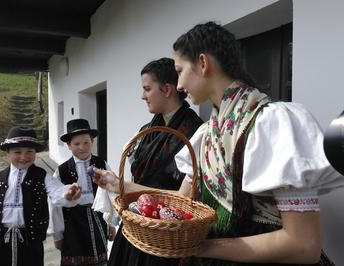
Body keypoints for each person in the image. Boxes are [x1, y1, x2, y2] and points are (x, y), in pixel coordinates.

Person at [93, 21, 344, 265]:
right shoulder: (206, 136)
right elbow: (183, 203)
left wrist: (201, 246)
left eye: (180, 71)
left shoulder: (275, 124)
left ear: (203, 63)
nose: (179, 85)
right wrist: (123, 186)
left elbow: (303, 245)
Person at [105, 57, 204, 266]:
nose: (143, 96)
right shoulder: (149, 129)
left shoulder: (193, 132)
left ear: (167, 89)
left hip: (165, 236)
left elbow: (183, 197)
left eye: (147, 89)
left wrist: (121, 185)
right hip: (137, 225)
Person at [0, 126, 82, 266]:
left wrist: (68, 194)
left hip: (30, 244)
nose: (23, 157)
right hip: (0, 245)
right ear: (8, 153)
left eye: (30, 151)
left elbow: (56, 191)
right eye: (17, 152)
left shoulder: (42, 177)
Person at [50, 118, 116, 266]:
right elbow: (55, 204)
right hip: (72, 222)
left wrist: (111, 224)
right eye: (76, 144)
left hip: (97, 217)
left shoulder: (102, 164)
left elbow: (111, 195)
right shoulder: (62, 171)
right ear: (68, 145)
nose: (82, 147)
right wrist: (57, 235)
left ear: (92, 141)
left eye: (86, 142)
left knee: (99, 257)